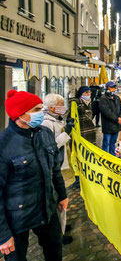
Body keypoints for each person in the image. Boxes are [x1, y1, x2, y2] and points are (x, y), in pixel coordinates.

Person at [0, 90, 68, 261]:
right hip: (17, 217)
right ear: (20, 114)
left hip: (47, 208)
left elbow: (54, 170)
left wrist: (62, 195)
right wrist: (3, 234)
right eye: (36, 109)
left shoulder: (44, 133)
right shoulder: (4, 144)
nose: (41, 113)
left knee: (54, 251)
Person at [41, 94, 74, 245]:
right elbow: (51, 146)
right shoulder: (47, 123)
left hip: (60, 163)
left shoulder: (56, 120)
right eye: (60, 104)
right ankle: (58, 234)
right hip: (55, 165)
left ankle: (61, 226)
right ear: (52, 108)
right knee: (58, 199)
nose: (63, 106)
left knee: (61, 197)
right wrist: (66, 133)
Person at [99, 82, 121, 155]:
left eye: (114, 87)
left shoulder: (117, 98)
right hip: (108, 125)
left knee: (113, 142)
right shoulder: (103, 98)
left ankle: (112, 156)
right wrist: (117, 119)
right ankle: (105, 157)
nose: (113, 89)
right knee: (106, 143)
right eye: (111, 87)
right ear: (107, 88)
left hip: (117, 125)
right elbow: (106, 112)